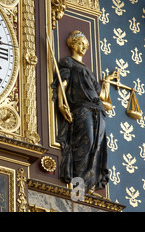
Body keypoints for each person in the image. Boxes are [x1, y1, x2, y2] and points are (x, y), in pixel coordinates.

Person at [52, 30, 117, 194]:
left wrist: (107, 82)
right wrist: (61, 103)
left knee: (97, 147)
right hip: (82, 108)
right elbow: (63, 84)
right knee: (85, 142)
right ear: (73, 44)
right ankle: (78, 185)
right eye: (81, 43)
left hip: (98, 111)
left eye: (86, 45)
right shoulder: (68, 62)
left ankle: (89, 186)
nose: (84, 47)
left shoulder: (89, 70)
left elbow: (100, 95)